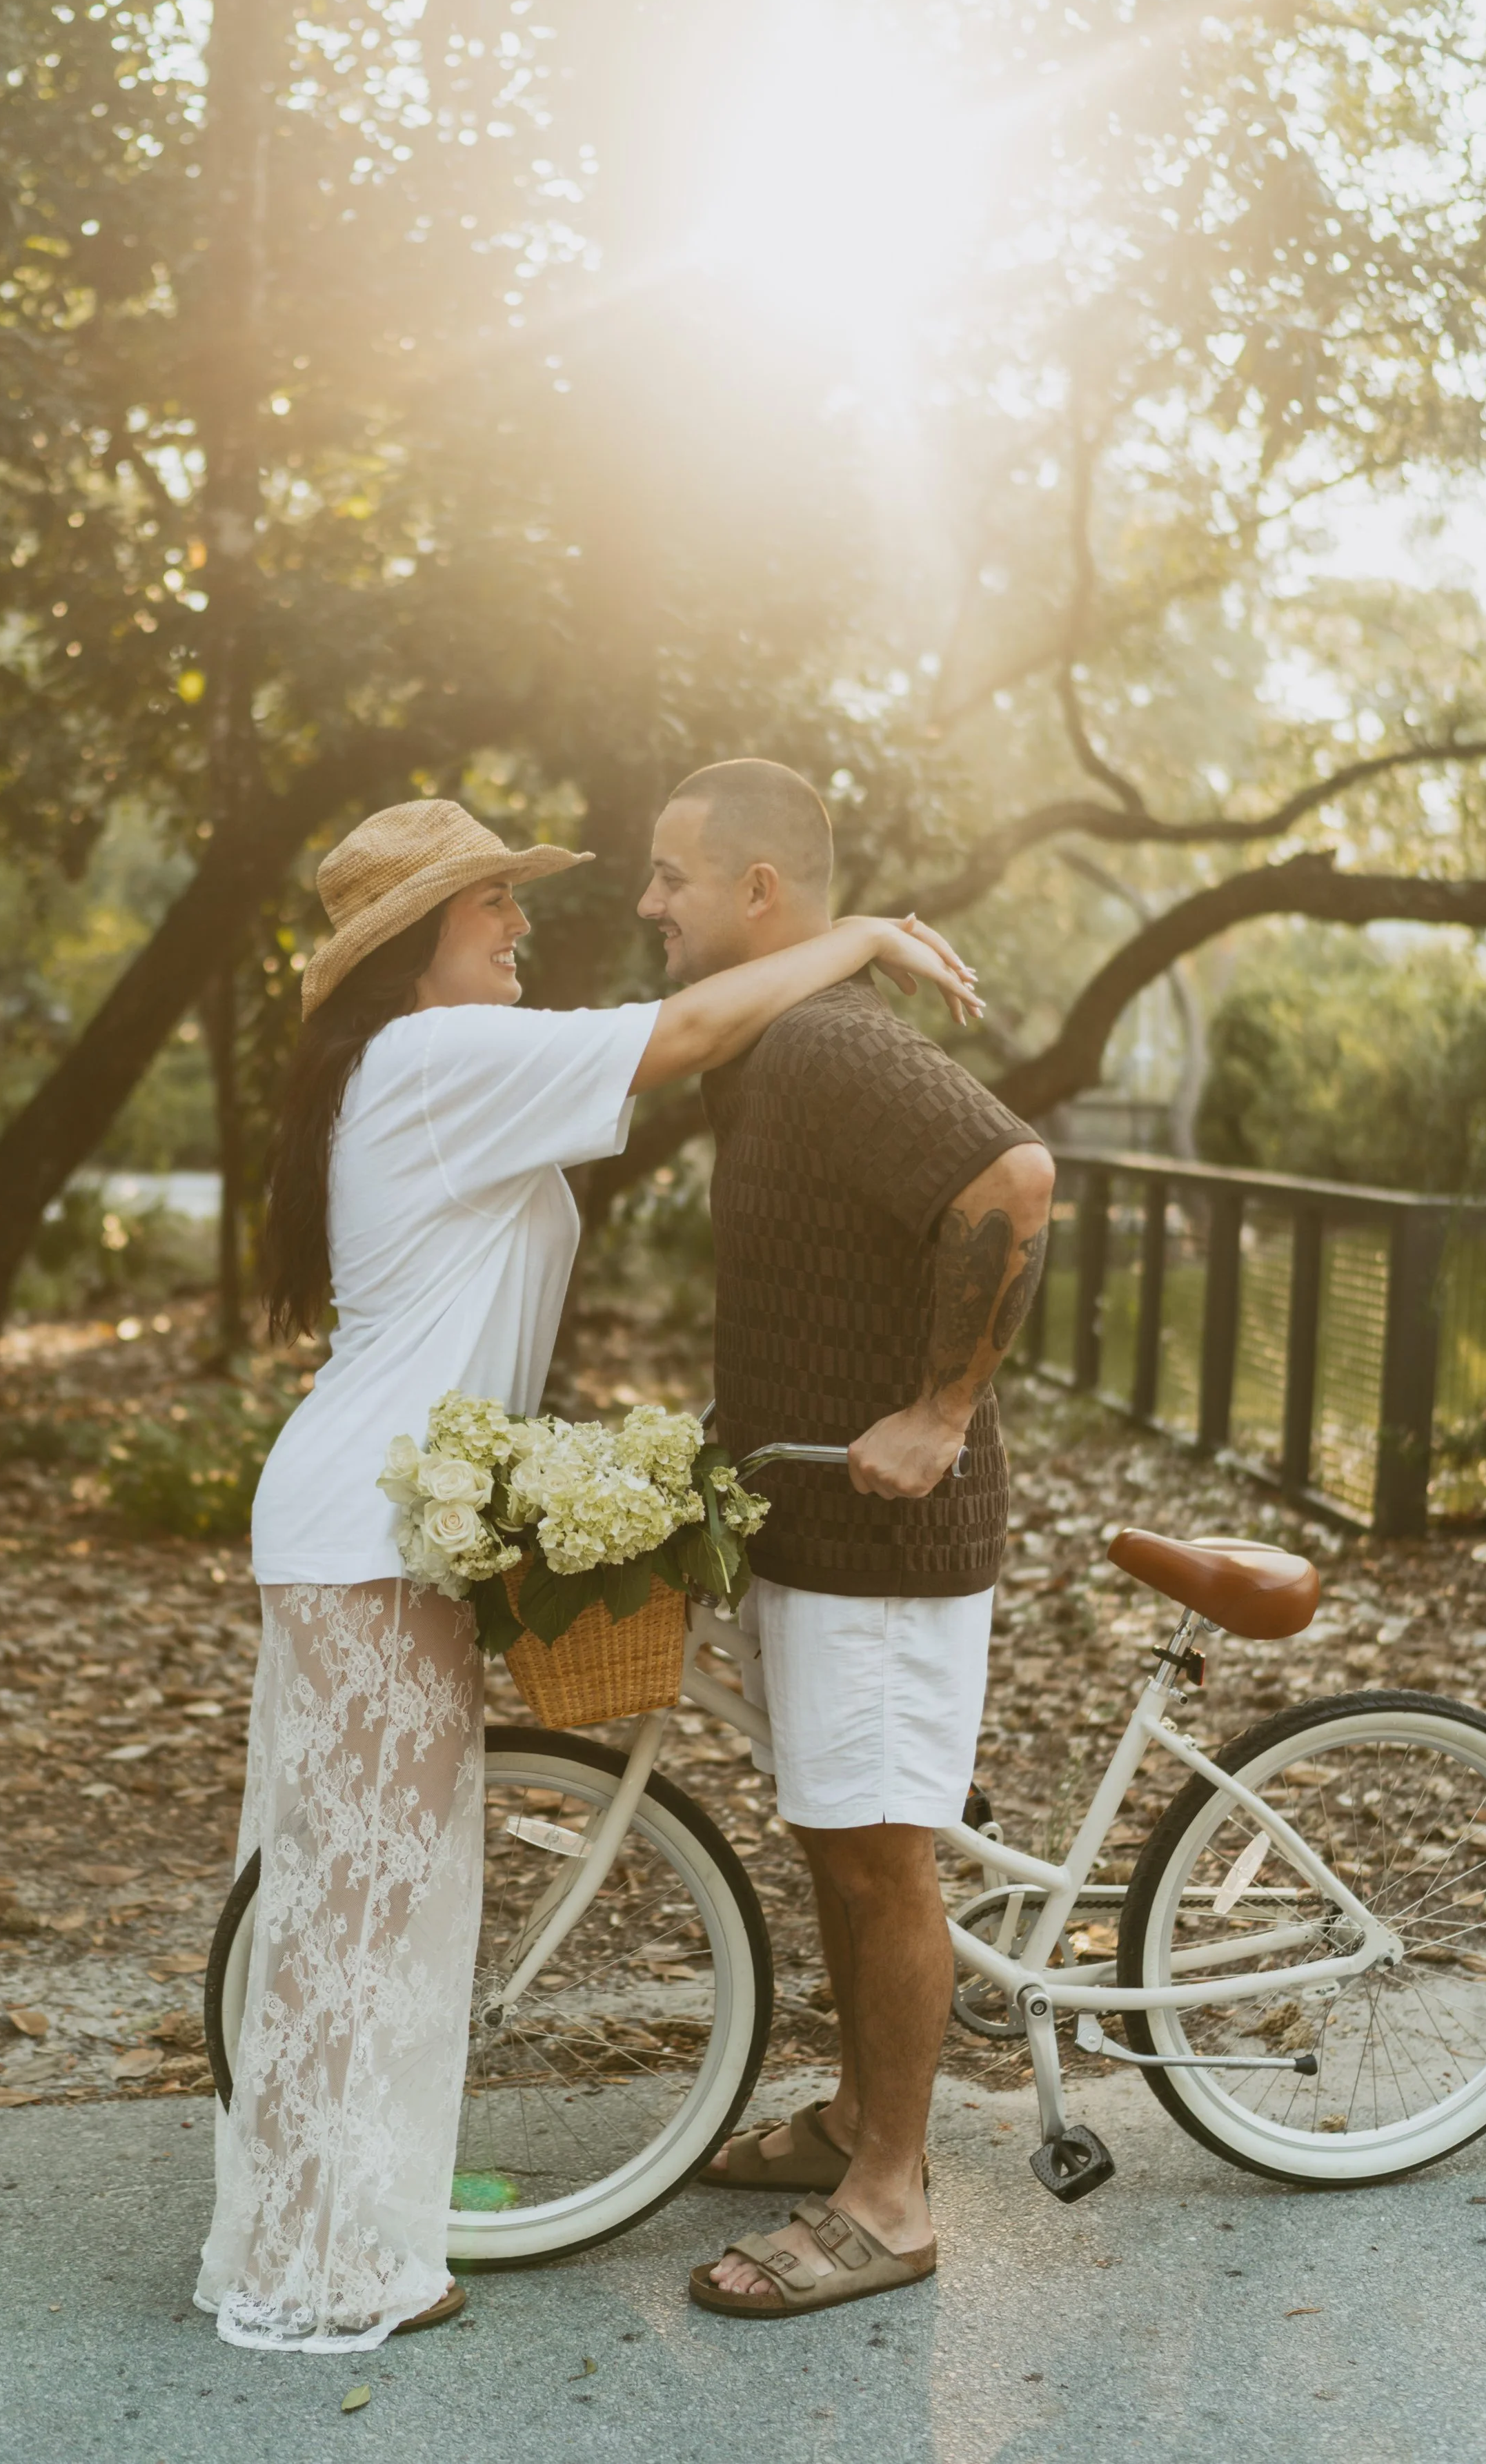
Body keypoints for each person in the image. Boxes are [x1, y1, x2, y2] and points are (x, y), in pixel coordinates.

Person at [193, 792, 980, 2354]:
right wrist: (860, 938)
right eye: (487, 902)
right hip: (362, 1530)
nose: (518, 918)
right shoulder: (431, 1060)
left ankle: (339, 2228)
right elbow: (684, 1028)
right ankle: (318, 2267)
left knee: (371, 1897)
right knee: (359, 1907)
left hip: (374, 1527)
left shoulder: (425, 1069)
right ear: (415, 946)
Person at [635, 758, 1055, 2320]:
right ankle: (853, 2122)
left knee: (880, 1861)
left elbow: (1012, 1174)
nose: (645, 904)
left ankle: (891, 2196)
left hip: (890, 1541)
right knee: (835, 1831)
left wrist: (941, 1412)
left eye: (669, 874)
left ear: (757, 890)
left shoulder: (819, 1043)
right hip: (809, 1522)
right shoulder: (767, 1048)